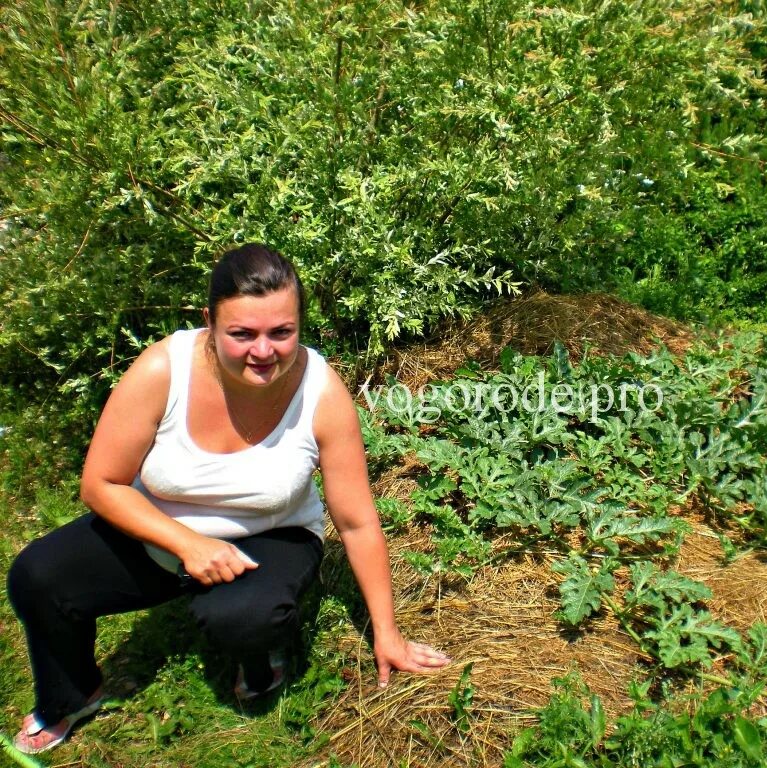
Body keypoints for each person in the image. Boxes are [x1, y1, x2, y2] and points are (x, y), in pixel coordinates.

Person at [7, 243, 450, 754]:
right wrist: (189, 545)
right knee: (37, 576)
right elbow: (100, 485)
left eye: (281, 332)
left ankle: (260, 652)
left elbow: (355, 521)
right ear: (209, 323)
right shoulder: (162, 370)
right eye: (242, 334)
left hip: (269, 536)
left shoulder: (322, 392)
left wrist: (386, 632)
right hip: (158, 531)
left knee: (245, 618)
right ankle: (74, 691)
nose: (264, 352)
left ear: (301, 323)